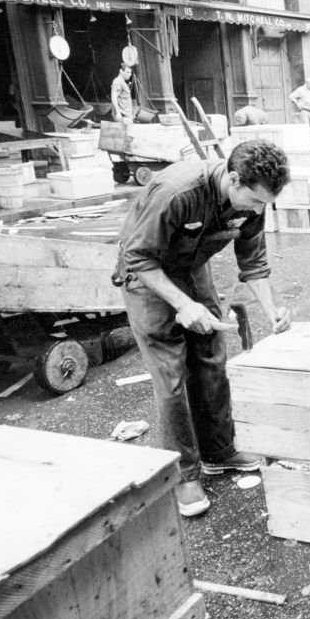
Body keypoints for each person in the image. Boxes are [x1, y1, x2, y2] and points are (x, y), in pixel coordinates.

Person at [116, 139, 292, 517]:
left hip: (192, 270)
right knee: (172, 374)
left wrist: (271, 311)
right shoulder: (177, 191)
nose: (260, 211)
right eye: (256, 201)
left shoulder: (253, 200)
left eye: (267, 203)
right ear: (233, 179)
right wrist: (181, 304)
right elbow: (137, 257)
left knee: (211, 358)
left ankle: (218, 450)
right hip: (147, 276)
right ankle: (184, 474)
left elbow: (253, 262)